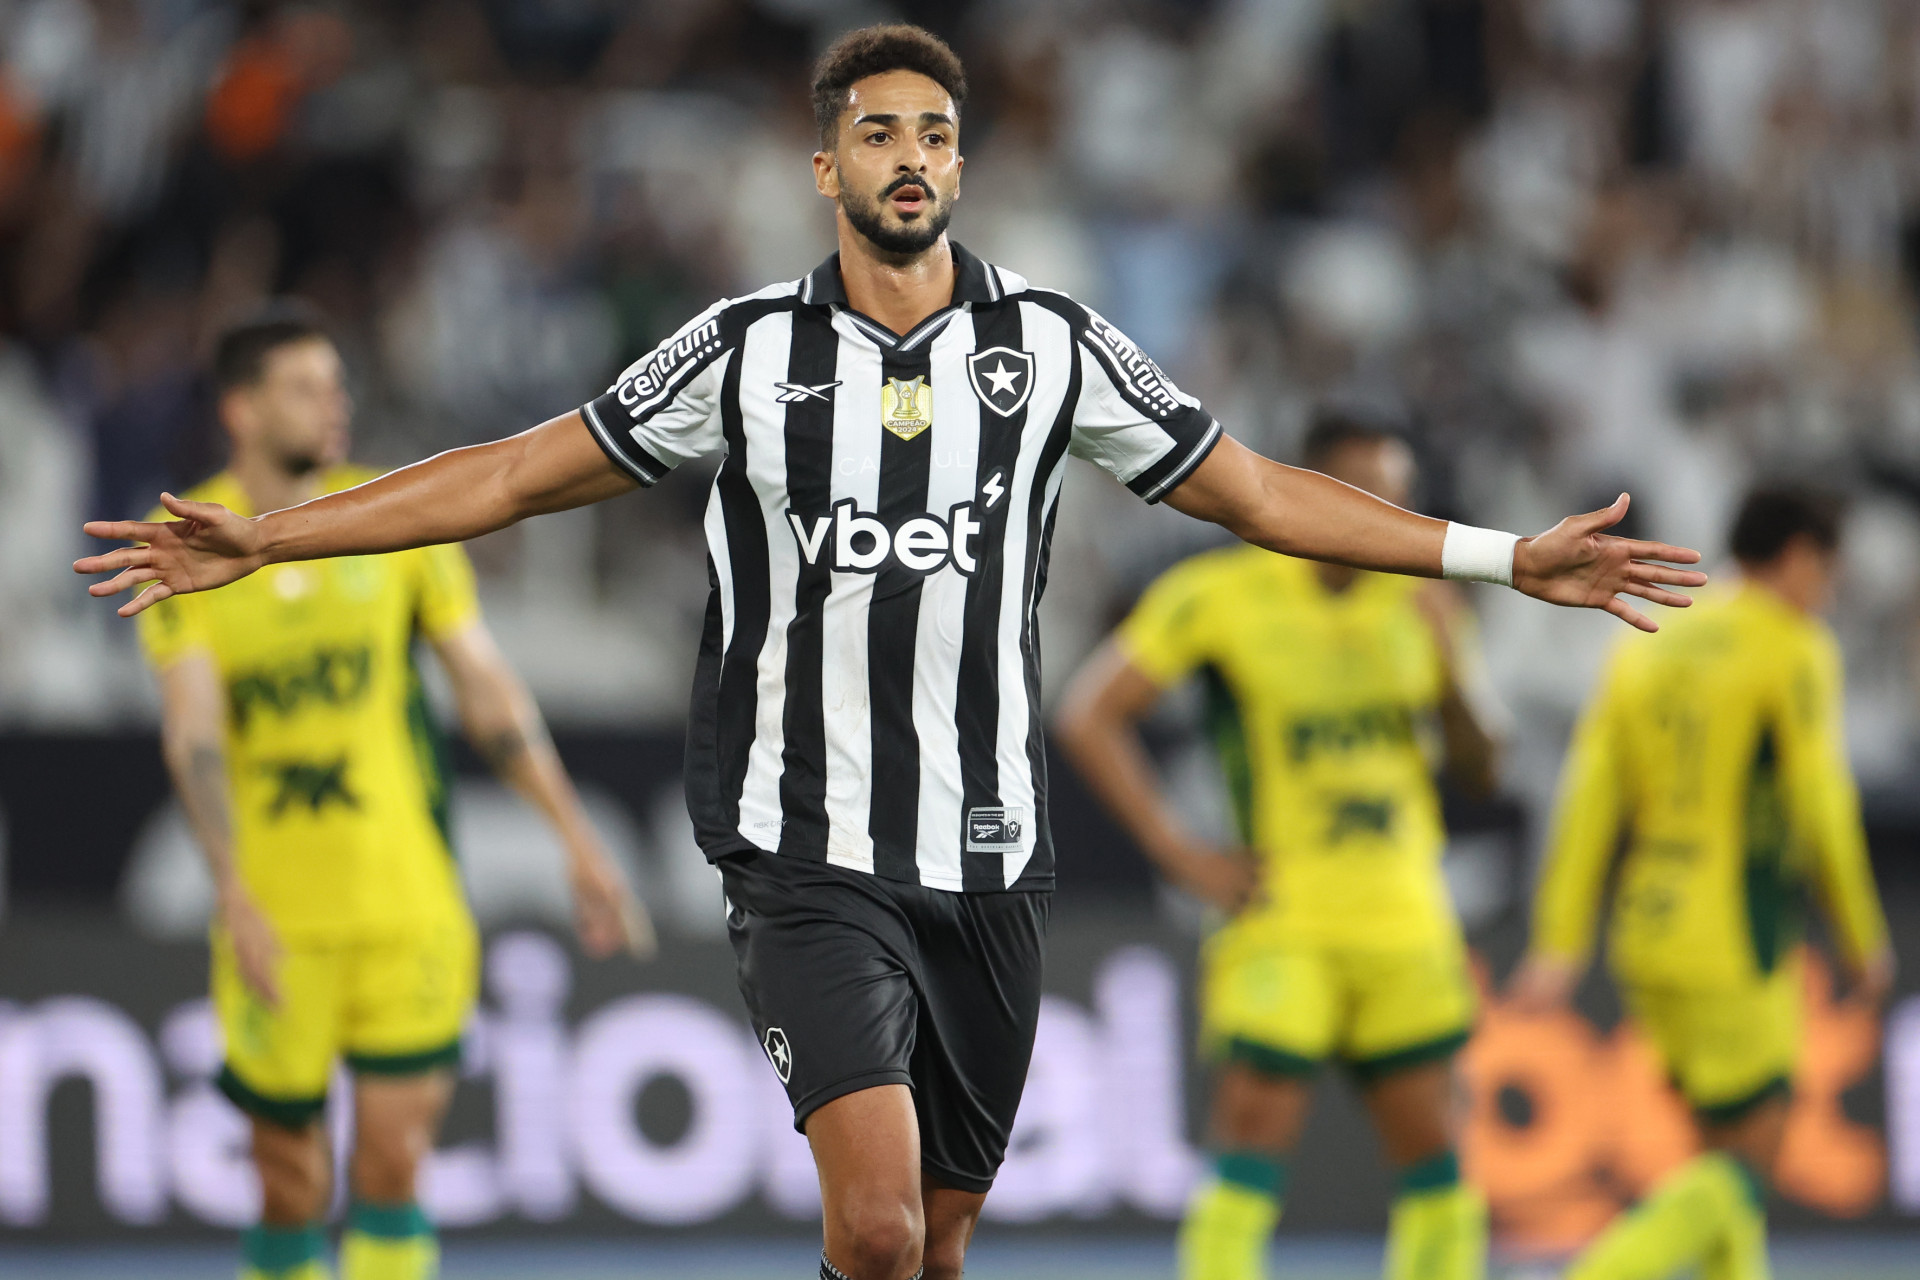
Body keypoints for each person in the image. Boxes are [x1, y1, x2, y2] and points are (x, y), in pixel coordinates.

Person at [78, 26, 1705, 1280]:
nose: (910, 157)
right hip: (805, 853)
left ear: (961, 164)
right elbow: (509, 475)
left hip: (989, 858)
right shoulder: (744, 354)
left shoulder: (1052, 346)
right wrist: (273, 538)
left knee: (936, 1245)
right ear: (825, 167)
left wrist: (1503, 558)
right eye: (878, 132)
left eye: (934, 133)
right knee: (871, 1230)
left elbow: (1263, 492)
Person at [132, 307, 652, 1280]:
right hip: (278, 916)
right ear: (240, 409)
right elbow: (192, 729)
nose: (335, 403)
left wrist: (577, 839)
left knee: (393, 1167)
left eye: (338, 384)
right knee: (288, 1182)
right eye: (305, 387)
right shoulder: (192, 542)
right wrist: (233, 890)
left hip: (407, 905)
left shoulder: (388, 518)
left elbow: (486, 689)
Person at [1056, 410, 1502, 1280]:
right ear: (1317, 488)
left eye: (1399, 498)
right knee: (1251, 1140)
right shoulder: (1221, 595)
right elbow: (1089, 714)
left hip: (1404, 916)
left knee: (1436, 1153)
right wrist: (1180, 852)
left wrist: (1453, 678)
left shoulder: (1425, 600)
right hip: (1282, 914)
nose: (1386, 516)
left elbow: (1483, 771)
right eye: (1366, 493)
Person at [1508, 485, 1895, 1280]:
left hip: (1649, 927)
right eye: (1826, 571)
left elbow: (1589, 798)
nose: (1826, 592)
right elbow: (1821, 802)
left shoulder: (1649, 642)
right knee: (1747, 1163)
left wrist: (1559, 939)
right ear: (1797, 556)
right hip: (1734, 934)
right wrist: (1863, 936)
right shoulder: (1790, 645)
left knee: (1717, 1156)